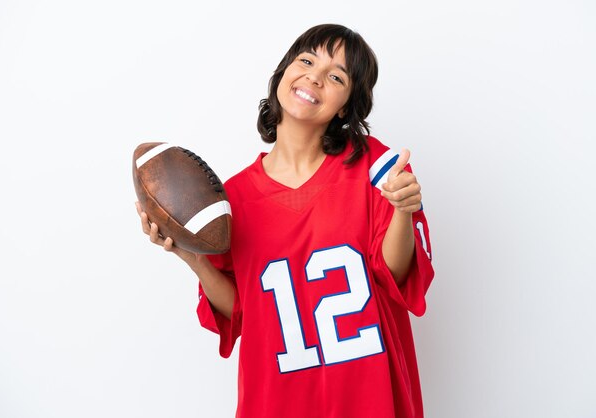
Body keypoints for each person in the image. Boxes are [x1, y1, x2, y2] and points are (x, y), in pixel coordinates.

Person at [136, 23, 434, 418]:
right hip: (278, 400)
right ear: (282, 74)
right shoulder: (232, 200)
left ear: (347, 104)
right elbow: (243, 312)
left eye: (336, 76)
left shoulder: (375, 167)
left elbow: (393, 275)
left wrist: (402, 208)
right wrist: (193, 259)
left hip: (366, 395)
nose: (314, 76)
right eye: (306, 60)